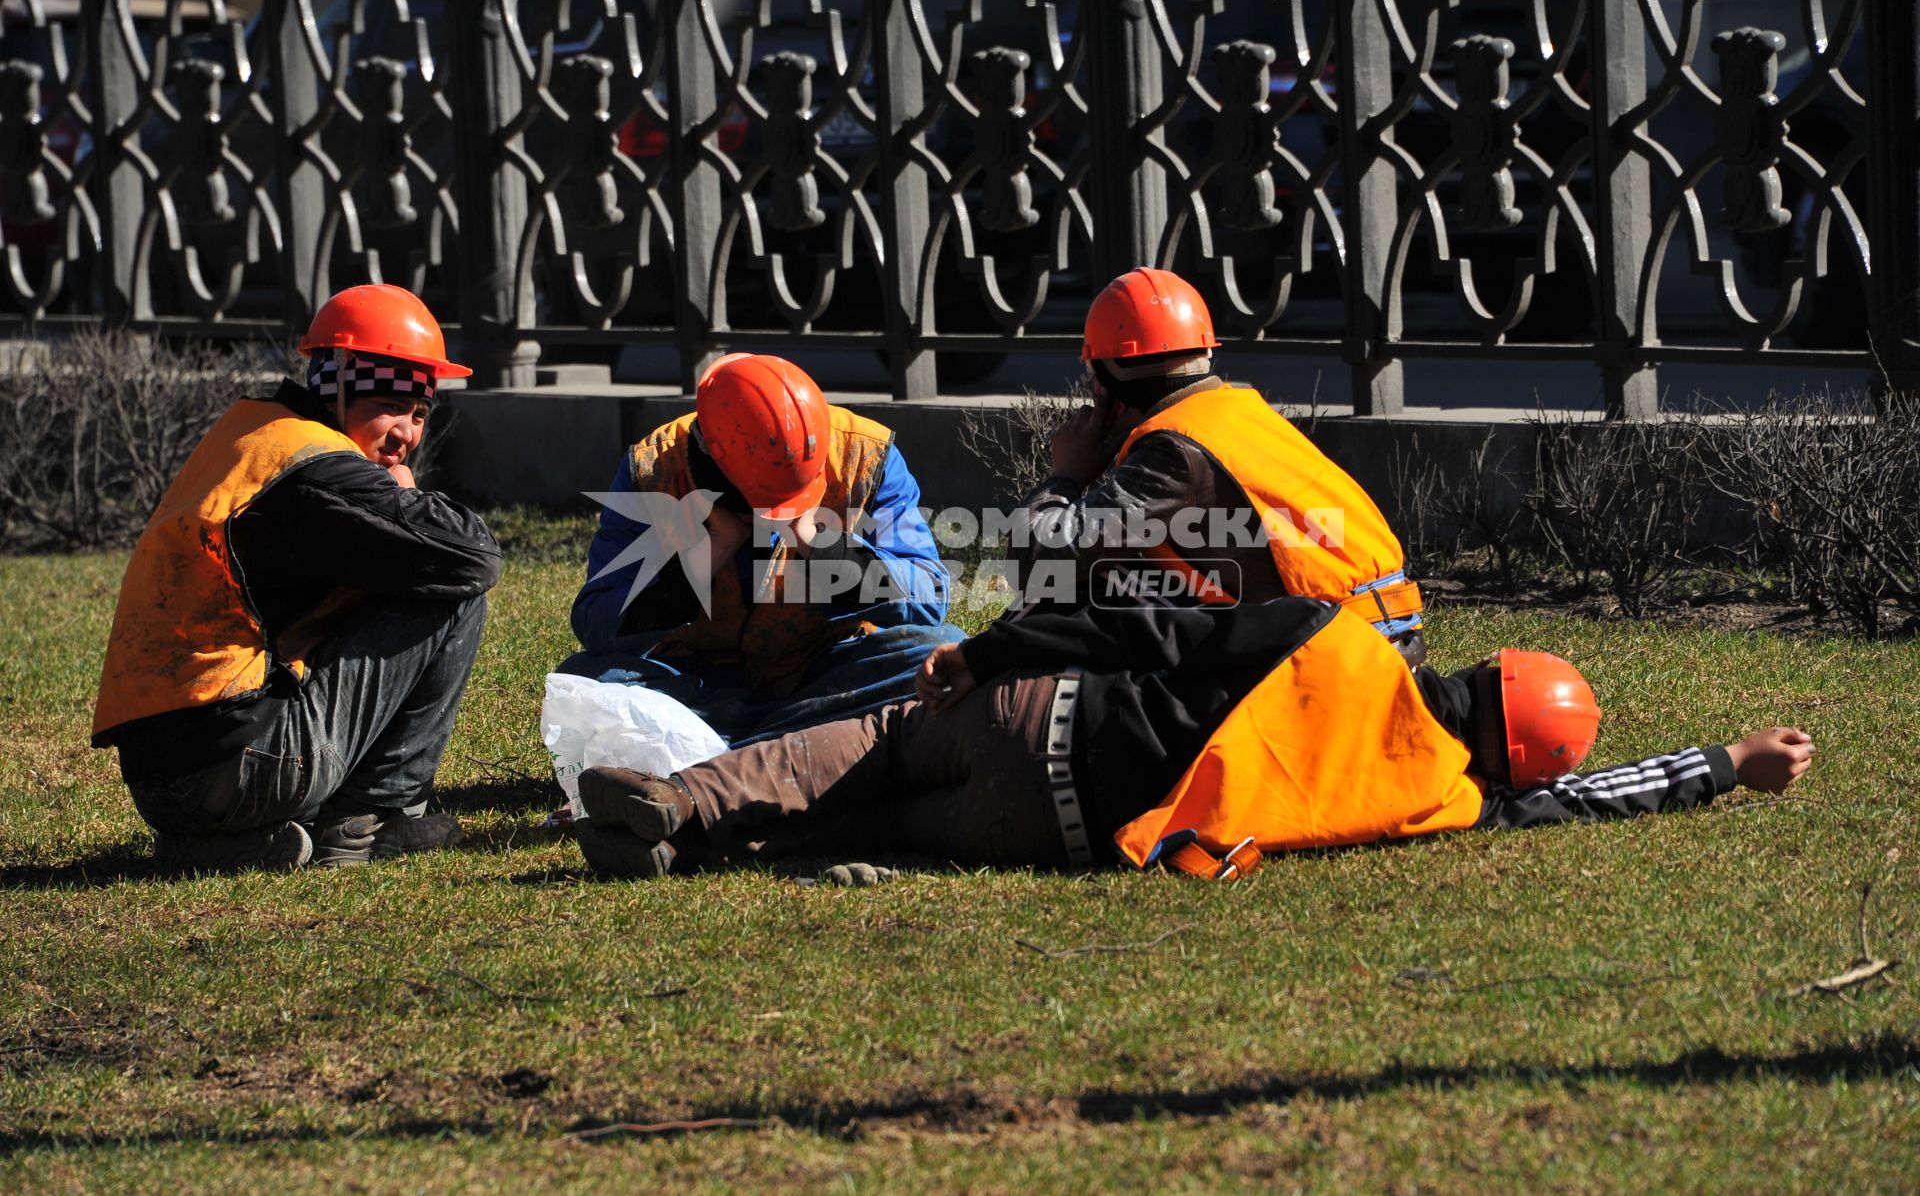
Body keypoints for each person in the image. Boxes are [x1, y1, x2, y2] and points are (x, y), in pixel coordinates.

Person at [565, 597, 1812, 879]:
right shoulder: (1447, 800)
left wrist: (994, 649)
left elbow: (1146, 620)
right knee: (896, 824)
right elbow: (1590, 800)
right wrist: (1722, 763)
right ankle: (741, 859)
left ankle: (678, 808)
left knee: (849, 750)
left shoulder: (1339, 641)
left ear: (1479, 671)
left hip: (1037, 714)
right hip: (1070, 829)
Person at [92, 284, 500, 872]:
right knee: (451, 589)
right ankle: (370, 819)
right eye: (388, 402)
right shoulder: (316, 472)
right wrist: (408, 496)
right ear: (334, 385)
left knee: (410, 566)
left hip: (161, 785)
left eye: (419, 413)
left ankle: (223, 846)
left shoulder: (253, 432)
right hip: (248, 765)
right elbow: (475, 556)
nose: (406, 433)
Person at [1008, 268, 1428, 663]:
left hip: (1341, 656)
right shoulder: (1234, 414)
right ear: (1206, 353)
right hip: (1384, 632)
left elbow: (1037, 562)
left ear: (1105, 385)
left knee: (1089, 591)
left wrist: (1066, 476)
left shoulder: (1172, 452)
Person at [559, 352, 963, 746]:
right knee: (586, 680)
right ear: (707, 465)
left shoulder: (867, 457)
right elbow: (596, 624)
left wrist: (823, 547)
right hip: (695, 683)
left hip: (824, 677)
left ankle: (725, 751)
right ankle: (793, 746)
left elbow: (931, 599)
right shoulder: (651, 469)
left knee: (938, 653)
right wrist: (704, 558)